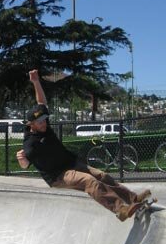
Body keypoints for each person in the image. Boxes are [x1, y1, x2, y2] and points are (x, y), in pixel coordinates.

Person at [16, 70, 153, 221]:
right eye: (40, 122)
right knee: (90, 182)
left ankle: (133, 199)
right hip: (58, 176)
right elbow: (25, 164)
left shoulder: (43, 123)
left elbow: (42, 102)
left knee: (103, 176)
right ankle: (120, 209)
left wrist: (36, 82)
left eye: (44, 120)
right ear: (31, 124)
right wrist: (22, 160)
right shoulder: (30, 143)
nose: (43, 124)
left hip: (71, 163)